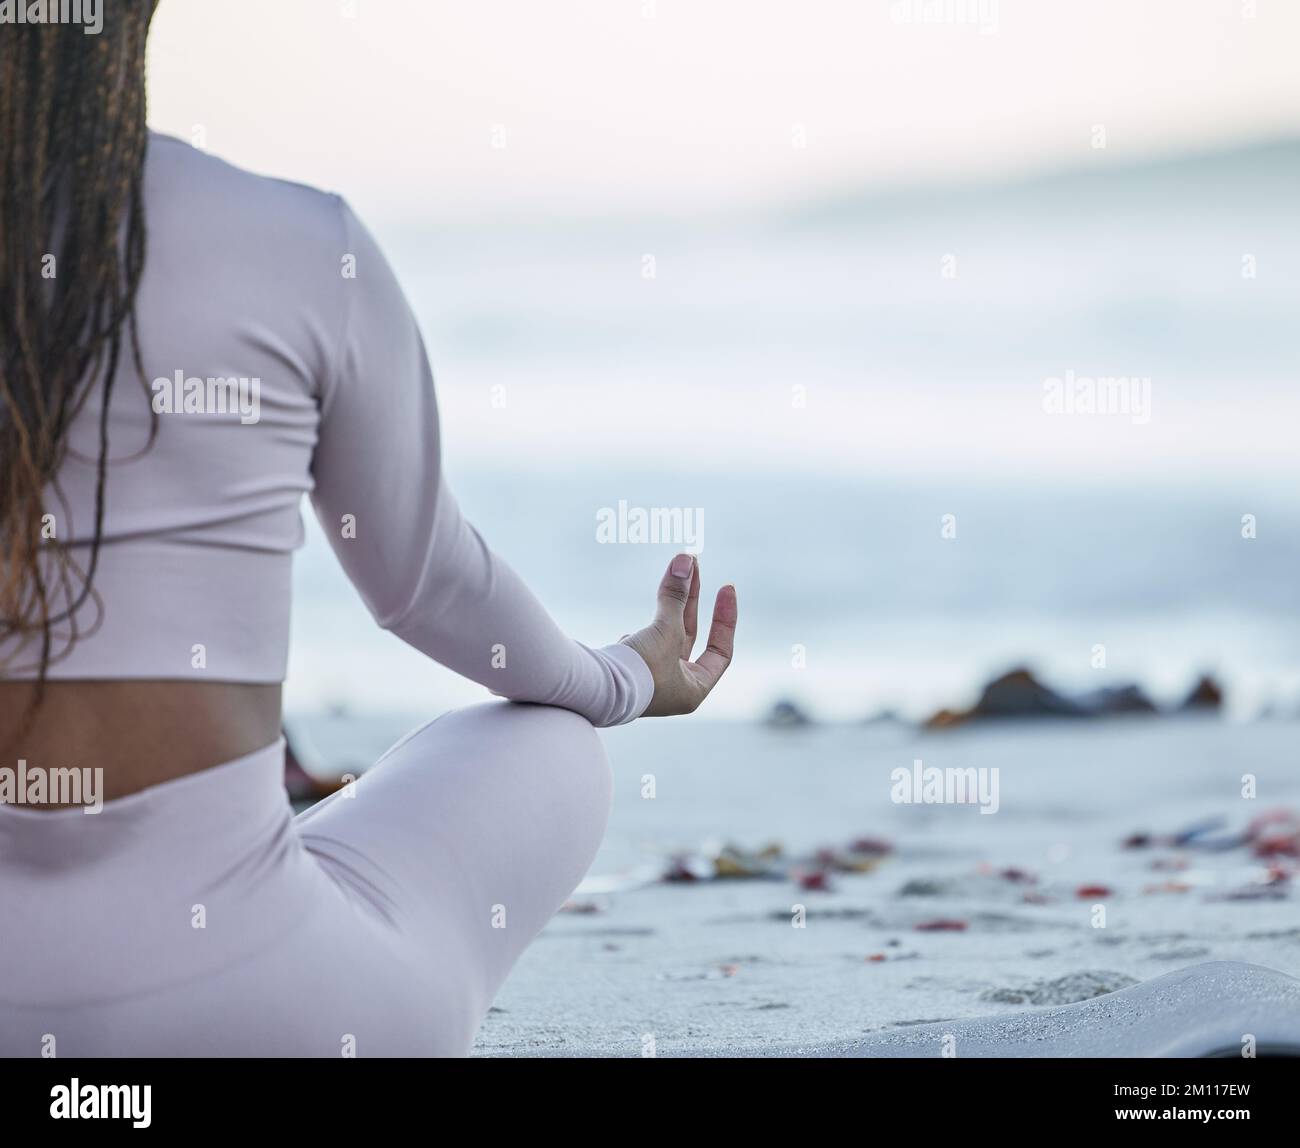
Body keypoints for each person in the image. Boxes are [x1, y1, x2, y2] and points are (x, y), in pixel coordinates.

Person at [0, 3, 736, 1056]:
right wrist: (627, 674)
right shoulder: (300, 243)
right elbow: (428, 585)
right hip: (265, 1014)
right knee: (547, 740)